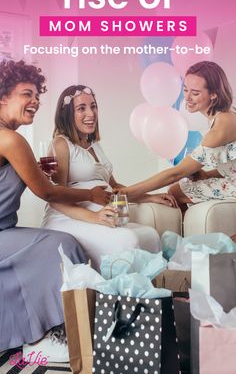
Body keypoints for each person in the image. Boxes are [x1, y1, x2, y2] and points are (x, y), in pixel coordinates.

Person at [0, 60, 112, 360]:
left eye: (37, 95)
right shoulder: (10, 139)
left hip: (5, 230)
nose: (35, 101)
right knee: (62, 244)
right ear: (3, 97)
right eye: (27, 94)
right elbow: (47, 192)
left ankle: (37, 332)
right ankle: (59, 333)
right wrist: (91, 194)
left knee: (48, 244)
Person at [41, 84, 177, 269]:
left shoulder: (94, 145)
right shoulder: (61, 144)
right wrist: (95, 216)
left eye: (93, 106)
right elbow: (56, 198)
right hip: (68, 219)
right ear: (67, 114)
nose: (91, 113)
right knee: (126, 240)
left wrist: (149, 197)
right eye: (81, 108)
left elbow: (114, 188)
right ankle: (121, 294)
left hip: (99, 216)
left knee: (150, 235)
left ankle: (151, 294)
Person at [120, 61, 236, 212]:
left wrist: (126, 193)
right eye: (185, 89)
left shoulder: (219, 128)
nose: (187, 97)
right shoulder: (226, 115)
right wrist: (206, 175)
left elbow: (175, 174)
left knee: (175, 191)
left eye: (195, 93)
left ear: (213, 94)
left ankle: (186, 234)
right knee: (179, 187)